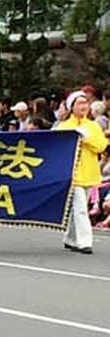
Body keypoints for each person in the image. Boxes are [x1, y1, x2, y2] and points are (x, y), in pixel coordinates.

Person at [56, 90, 109, 254]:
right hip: (72, 173)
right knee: (80, 207)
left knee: (78, 206)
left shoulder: (93, 126)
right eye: (79, 103)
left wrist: (86, 139)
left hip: (90, 172)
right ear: (72, 107)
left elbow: (101, 146)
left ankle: (70, 238)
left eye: (85, 103)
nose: (83, 106)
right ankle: (85, 241)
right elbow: (57, 149)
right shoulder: (64, 127)